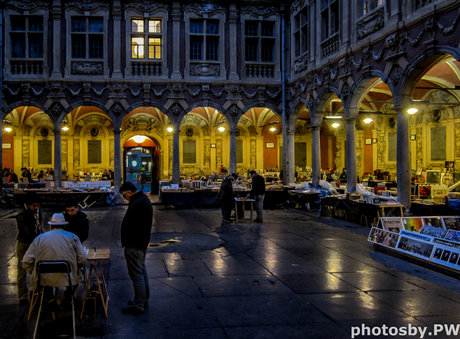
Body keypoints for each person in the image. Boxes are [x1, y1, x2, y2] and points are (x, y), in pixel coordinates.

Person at [22, 213, 87, 306]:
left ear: (51, 225)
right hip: (68, 277)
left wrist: (33, 272)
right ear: (64, 225)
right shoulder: (73, 237)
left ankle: (49, 297)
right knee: (78, 273)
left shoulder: (39, 238)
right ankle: (67, 296)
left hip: (44, 278)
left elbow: (27, 260)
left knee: (45, 281)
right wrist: (79, 266)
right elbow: (82, 259)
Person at [119, 181, 153, 314]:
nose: (124, 198)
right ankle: (143, 300)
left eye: (124, 195)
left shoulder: (138, 203)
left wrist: (128, 242)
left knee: (136, 275)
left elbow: (133, 226)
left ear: (129, 192)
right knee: (141, 271)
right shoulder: (142, 199)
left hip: (134, 244)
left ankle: (139, 304)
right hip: (140, 243)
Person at [15, 193, 43, 305]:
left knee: (37, 268)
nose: (36, 208)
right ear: (27, 205)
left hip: (35, 241)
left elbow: (39, 227)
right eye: (34, 206)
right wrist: (41, 238)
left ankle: (36, 291)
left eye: (38, 206)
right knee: (22, 270)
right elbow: (27, 233)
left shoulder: (38, 211)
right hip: (24, 243)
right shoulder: (21, 215)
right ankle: (22, 296)